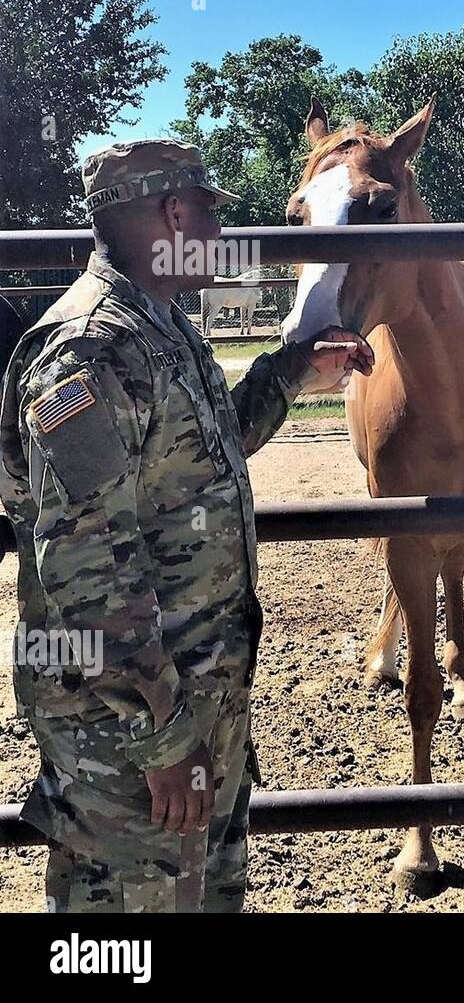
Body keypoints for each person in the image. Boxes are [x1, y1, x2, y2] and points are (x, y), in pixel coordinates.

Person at [0, 139, 374, 912]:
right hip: (130, 746)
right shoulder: (88, 351)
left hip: (193, 712)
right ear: (173, 214)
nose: (218, 231)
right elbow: (88, 568)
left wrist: (295, 366)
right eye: (210, 213)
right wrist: (163, 738)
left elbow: (213, 440)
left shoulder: (160, 326)